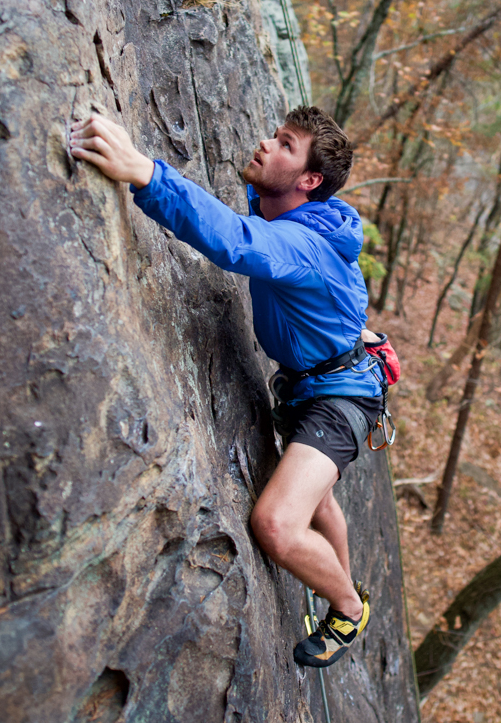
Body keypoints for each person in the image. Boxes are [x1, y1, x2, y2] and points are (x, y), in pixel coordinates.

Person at [69, 107, 382, 668]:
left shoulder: (301, 242)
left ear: (309, 180)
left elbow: (239, 243)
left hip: (339, 399)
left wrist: (145, 172)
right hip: (321, 382)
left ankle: (348, 607)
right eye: (275, 134)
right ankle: (343, 580)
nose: (265, 143)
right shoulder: (306, 215)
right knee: (320, 499)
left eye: (285, 144)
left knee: (278, 524)